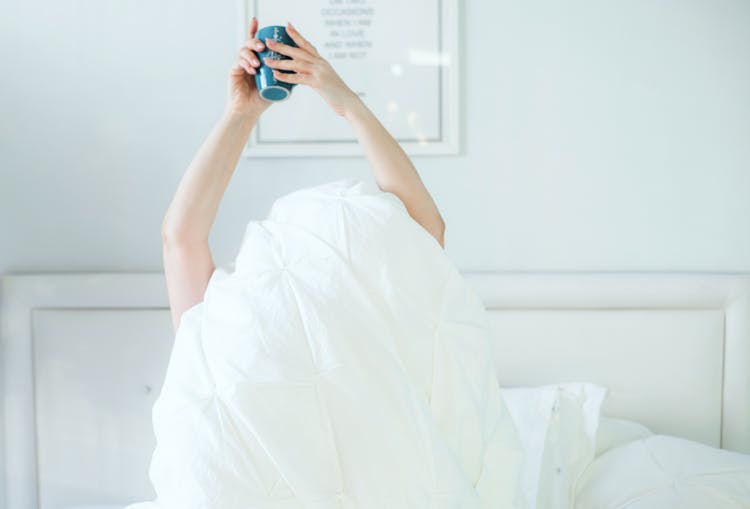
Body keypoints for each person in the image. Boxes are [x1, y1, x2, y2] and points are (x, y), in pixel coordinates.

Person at [160, 17, 446, 334]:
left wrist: (349, 105)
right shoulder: (232, 326)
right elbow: (427, 230)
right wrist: (241, 111)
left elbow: (181, 238)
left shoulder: (369, 329)